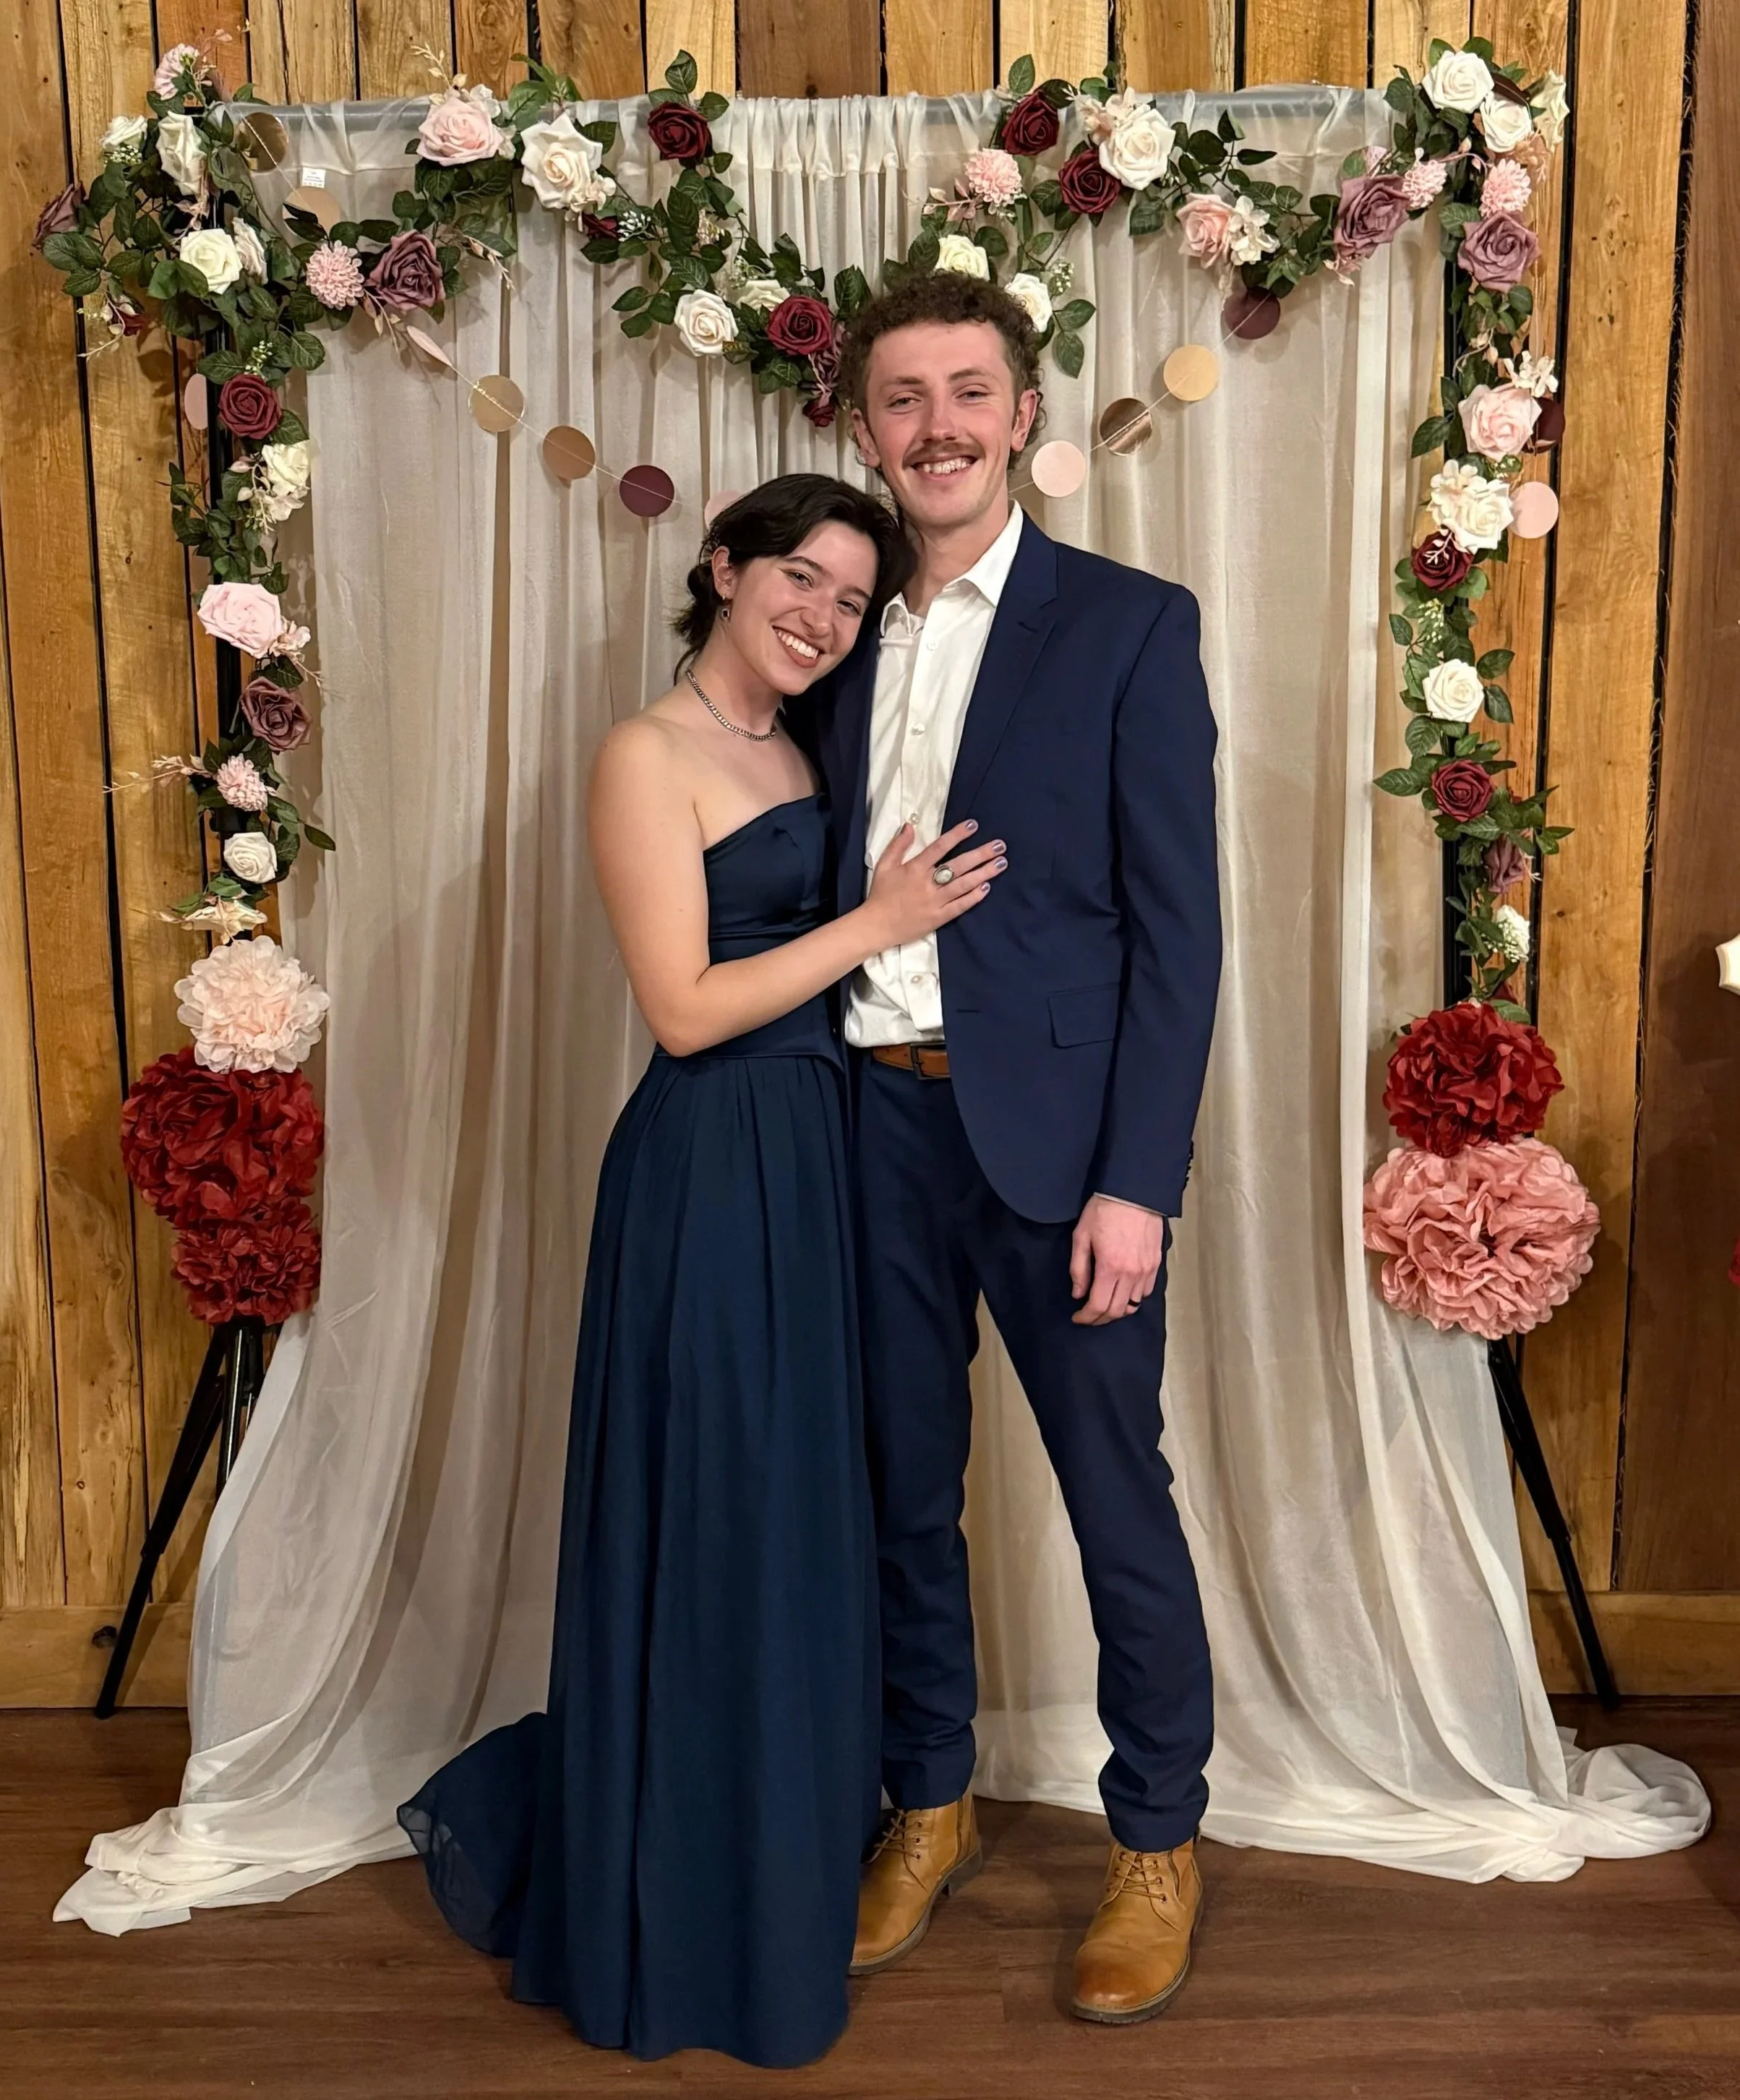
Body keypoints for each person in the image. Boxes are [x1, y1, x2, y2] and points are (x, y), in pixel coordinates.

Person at [398, 473, 1006, 2069]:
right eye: (795, 577)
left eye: (847, 600)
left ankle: (776, 1860)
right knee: (717, 1509)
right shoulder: (642, 753)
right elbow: (679, 1005)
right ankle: (675, 1900)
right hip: (709, 1163)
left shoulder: (805, 743)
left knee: (808, 1512)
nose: (817, 615)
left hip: (823, 1157)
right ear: (723, 570)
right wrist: (875, 920)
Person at [789, 273, 1222, 2024]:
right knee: (900, 1495)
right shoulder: (820, 630)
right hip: (861, 1131)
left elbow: (1174, 936)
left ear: (1023, 415)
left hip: (1056, 1150)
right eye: (902, 398)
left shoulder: (1125, 624)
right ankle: (928, 1799)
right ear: (863, 430)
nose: (937, 425)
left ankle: (1155, 1834)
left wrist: (1139, 1182)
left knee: (1115, 1498)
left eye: (968, 390)